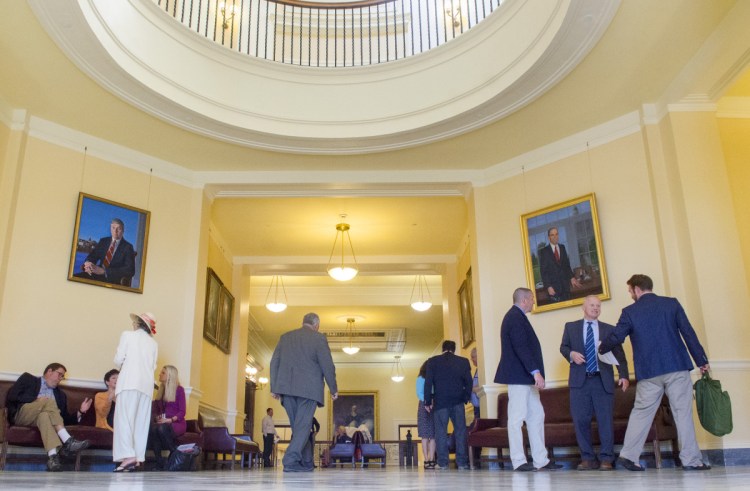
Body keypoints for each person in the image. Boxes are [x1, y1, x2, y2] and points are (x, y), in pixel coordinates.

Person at [599, 274, 711, 471]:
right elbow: (688, 333)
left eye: (630, 291)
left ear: (637, 289)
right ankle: (691, 460)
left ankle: (628, 455)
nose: (630, 294)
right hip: (676, 366)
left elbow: (616, 336)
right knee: (682, 413)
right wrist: (701, 361)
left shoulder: (630, 312)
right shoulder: (671, 304)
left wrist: (601, 348)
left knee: (641, 412)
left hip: (649, 371)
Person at [494, 287, 561, 471]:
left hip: (525, 377)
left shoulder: (517, 316)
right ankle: (518, 461)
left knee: (536, 416)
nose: (533, 302)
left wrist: (533, 374)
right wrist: (535, 372)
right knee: (516, 419)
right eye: (531, 299)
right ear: (523, 300)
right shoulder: (514, 317)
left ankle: (541, 460)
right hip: (519, 376)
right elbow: (521, 347)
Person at [560, 295, 629, 471]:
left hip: (602, 380)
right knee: (581, 420)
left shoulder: (609, 329)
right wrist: (571, 355)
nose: (595, 308)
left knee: (605, 420)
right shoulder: (571, 327)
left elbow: (620, 355)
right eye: (592, 305)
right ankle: (587, 458)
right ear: (583, 307)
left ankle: (606, 458)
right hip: (579, 382)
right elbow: (564, 347)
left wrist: (623, 375)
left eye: (598, 306)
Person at [270, 312, 338, 472]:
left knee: (299, 427)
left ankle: (306, 461)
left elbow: (274, 362)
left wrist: (274, 387)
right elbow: (327, 365)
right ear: (317, 325)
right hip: (309, 390)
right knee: (302, 426)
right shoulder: (319, 338)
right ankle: (290, 460)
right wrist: (333, 388)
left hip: (286, 389)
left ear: (303, 322)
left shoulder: (285, 337)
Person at [6, 363, 92, 472]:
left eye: (62, 377)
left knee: (45, 416)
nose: (60, 379)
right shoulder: (28, 379)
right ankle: (68, 441)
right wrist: (36, 399)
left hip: (39, 420)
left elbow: (62, 419)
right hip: (22, 415)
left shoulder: (61, 395)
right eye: (59, 374)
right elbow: (13, 396)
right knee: (49, 402)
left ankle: (53, 458)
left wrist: (80, 411)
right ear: (49, 371)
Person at [113, 312, 158, 472]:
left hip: (129, 383)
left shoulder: (127, 335)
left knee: (124, 420)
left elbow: (118, 359)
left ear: (138, 324)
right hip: (146, 387)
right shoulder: (154, 344)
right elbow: (153, 366)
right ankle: (137, 458)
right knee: (140, 424)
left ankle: (128, 456)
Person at [423, 340, 473, 470]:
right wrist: (466, 397)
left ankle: (443, 463)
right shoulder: (463, 362)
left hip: (440, 403)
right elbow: (469, 382)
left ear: (443, 349)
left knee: (440, 432)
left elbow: (428, 383)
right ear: (454, 349)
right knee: (460, 432)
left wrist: (427, 401)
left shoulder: (433, 361)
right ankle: (462, 462)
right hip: (458, 402)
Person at [75, 218, 136, 285]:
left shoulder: (128, 247)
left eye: (118, 229)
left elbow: (130, 270)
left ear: (123, 230)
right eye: (113, 228)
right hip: (95, 274)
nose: (115, 231)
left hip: (112, 279)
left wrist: (104, 271)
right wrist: (88, 263)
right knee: (75, 278)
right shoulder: (103, 241)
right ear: (110, 229)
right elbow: (93, 256)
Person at [149, 365, 186, 470]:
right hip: (164, 422)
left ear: (170, 376)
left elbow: (182, 412)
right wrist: (157, 418)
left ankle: (175, 452)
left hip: (177, 423)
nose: (159, 374)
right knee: (154, 428)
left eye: (163, 373)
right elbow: (156, 410)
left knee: (161, 428)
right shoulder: (161, 390)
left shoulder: (179, 390)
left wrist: (170, 420)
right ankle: (159, 462)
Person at [539, 226, 581, 303]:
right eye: (552, 235)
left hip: (565, 287)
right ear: (549, 237)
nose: (555, 237)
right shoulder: (544, 252)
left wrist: (572, 278)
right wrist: (548, 286)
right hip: (553, 289)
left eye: (556, 234)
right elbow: (543, 272)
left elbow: (567, 266)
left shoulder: (562, 247)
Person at [416, 360, 436, 469]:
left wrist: (432, 402)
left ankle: (432, 458)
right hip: (423, 405)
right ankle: (426, 459)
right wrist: (427, 402)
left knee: (433, 435)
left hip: (434, 404)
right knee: (424, 435)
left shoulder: (434, 378)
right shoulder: (420, 378)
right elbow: (419, 393)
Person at [469, 347, 483, 467]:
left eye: (472, 357)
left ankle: (477, 457)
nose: (472, 360)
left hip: (481, 407)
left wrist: (469, 389)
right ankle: (476, 457)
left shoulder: (482, 370)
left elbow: (481, 386)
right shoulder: (477, 370)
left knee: (476, 430)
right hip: (476, 407)